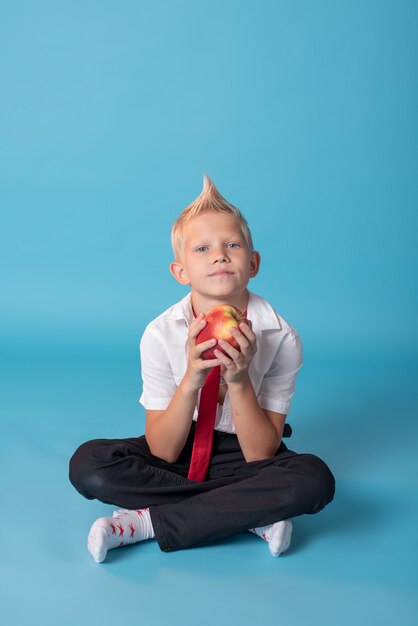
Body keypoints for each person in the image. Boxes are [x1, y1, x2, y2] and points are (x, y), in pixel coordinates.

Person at [69, 175, 335, 563]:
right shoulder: (159, 334)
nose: (219, 255)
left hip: (242, 455)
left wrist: (240, 380)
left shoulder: (282, 337)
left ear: (254, 262)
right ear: (180, 272)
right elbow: (162, 449)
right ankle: (249, 514)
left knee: (315, 480)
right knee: (89, 464)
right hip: (178, 450)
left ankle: (142, 524)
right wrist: (193, 376)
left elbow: (262, 454)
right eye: (202, 248)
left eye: (232, 245)